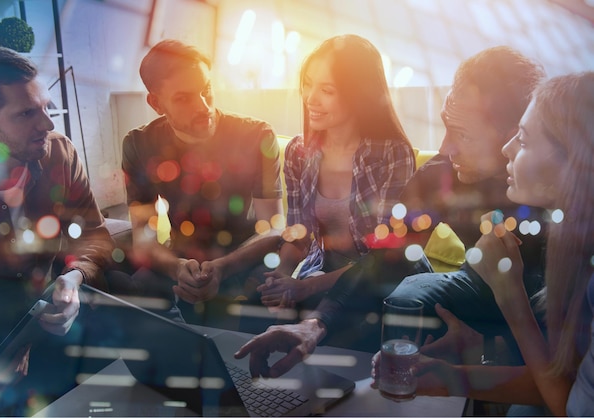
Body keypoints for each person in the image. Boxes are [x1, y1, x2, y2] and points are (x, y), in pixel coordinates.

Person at [235, 46, 547, 376]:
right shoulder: (440, 176)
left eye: (463, 135)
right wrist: (314, 325)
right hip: (481, 282)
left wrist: (490, 349)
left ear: (513, 136)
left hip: (541, 304)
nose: (444, 148)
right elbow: (386, 255)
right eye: (446, 126)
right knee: (410, 287)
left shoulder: (557, 195)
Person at [372, 72, 594, 417]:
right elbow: (564, 380)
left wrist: (509, 294)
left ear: (575, 159)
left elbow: (571, 408)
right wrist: (452, 377)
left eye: (522, 138)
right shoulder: (574, 240)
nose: (508, 148)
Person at [0, 47, 114, 415]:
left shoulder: (59, 154)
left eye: (46, 107)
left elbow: (95, 235)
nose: (48, 124)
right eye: (26, 114)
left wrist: (74, 279)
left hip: (47, 316)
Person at [120, 40, 284, 325]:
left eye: (206, 90)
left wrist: (222, 267)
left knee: (264, 289)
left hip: (247, 256)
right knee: (134, 290)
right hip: (183, 261)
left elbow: (273, 226)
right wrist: (176, 268)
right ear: (156, 103)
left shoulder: (256, 136)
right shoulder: (139, 144)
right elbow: (143, 238)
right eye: (184, 98)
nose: (203, 106)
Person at [255, 34, 417, 314]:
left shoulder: (392, 154)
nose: (310, 99)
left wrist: (304, 288)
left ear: (359, 94)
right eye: (307, 85)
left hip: (385, 283)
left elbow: (385, 259)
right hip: (322, 273)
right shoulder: (298, 151)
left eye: (327, 90)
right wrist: (282, 276)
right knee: (264, 312)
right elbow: (298, 236)